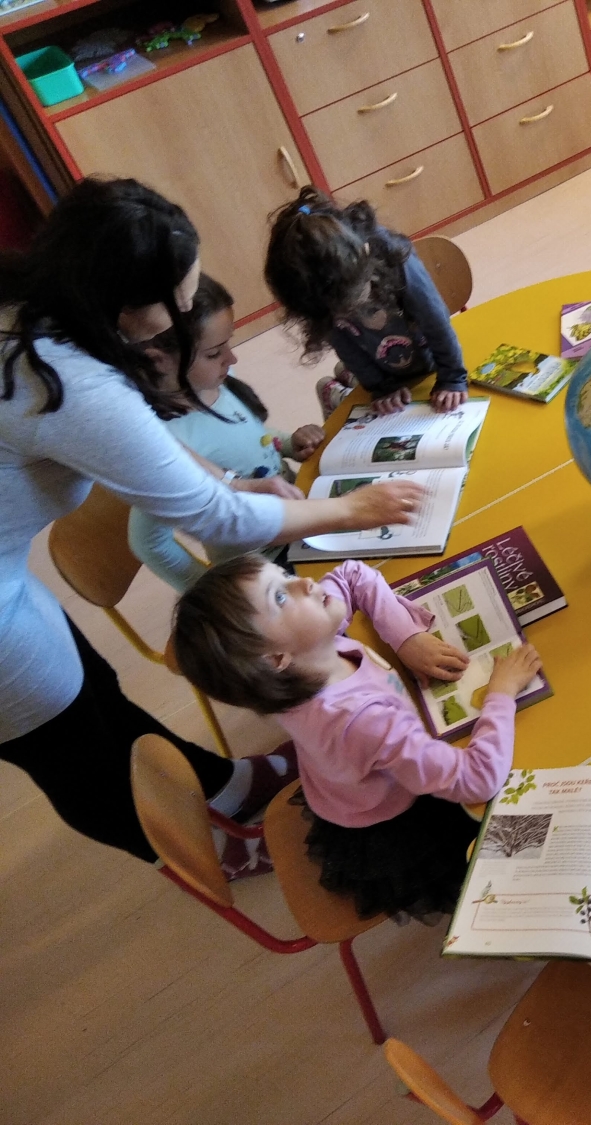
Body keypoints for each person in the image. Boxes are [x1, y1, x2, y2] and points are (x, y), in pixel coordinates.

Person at [0, 177, 423, 866]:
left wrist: (228, 478)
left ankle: (228, 784)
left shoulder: (43, 307)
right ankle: (212, 852)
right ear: (127, 306)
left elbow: (153, 447)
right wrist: (354, 507)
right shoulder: (68, 380)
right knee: (77, 752)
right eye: (179, 304)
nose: (186, 314)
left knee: (95, 694)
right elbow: (210, 514)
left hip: (9, 576)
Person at [172, 555, 543, 919]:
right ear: (274, 658)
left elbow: (351, 574)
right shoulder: (362, 722)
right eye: (280, 596)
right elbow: (478, 778)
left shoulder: (301, 661)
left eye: (283, 574)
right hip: (404, 818)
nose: (303, 582)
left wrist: (406, 637)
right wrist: (501, 693)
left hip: (352, 785)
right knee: (520, 833)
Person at [128, 274, 326, 593]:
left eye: (228, 344)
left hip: (300, 519)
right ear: (159, 360)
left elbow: (249, 436)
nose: (232, 358)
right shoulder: (163, 445)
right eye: (214, 353)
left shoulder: (213, 382)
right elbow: (147, 542)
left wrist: (289, 444)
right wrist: (213, 591)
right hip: (265, 569)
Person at [265, 186, 468, 418]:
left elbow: (435, 320)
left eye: (355, 300)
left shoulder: (392, 254)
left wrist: (452, 377)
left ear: (366, 255)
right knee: (357, 374)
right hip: (385, 368)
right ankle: (339, 384)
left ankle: (343, 379)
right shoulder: (315, 291)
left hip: (430, 361)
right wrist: (381, 387)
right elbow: (342, 343)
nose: (348, 313)